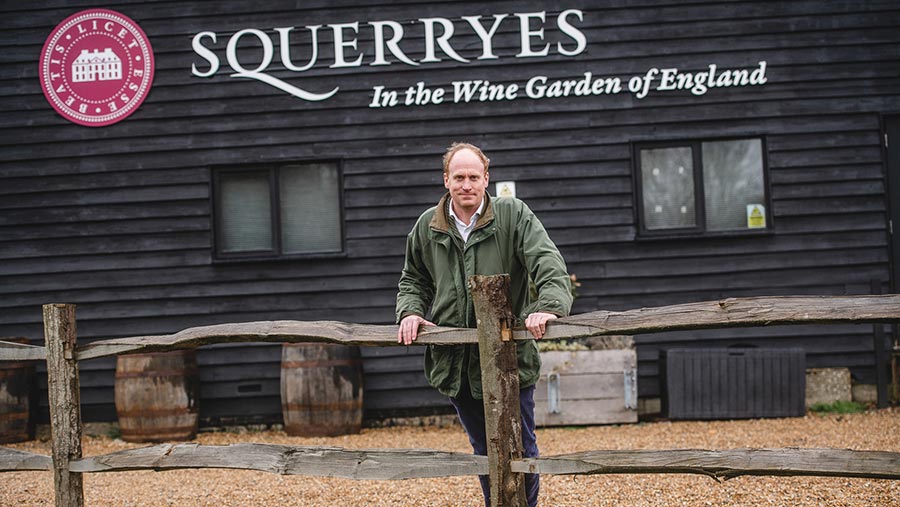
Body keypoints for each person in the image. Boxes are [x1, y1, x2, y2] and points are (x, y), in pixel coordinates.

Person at [396, 142, 573, 507]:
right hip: (457, 365)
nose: (466, 185)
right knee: (483, 450)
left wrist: (549, 306)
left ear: (486, 179)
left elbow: (547, 262)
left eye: (473, 177)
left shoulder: (512, 215)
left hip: (510, 361)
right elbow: (413, 279)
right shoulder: (427, 226)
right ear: (445, 180)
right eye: (458, 177)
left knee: (520, 451)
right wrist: (411, 311)